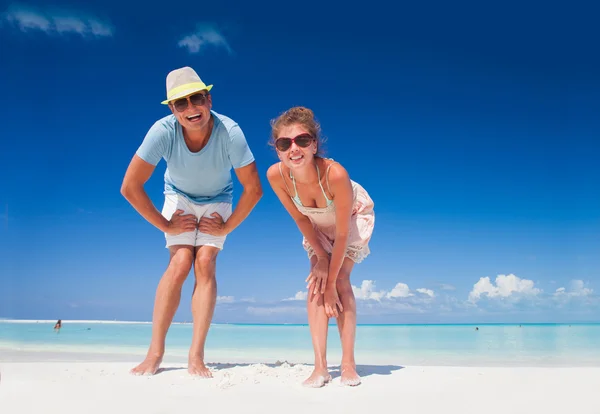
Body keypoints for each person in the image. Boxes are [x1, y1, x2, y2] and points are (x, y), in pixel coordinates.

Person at [121, 67, 263, 377]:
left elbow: (253, 190)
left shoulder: (230, 132)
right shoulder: (163, 131)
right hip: (179, 196)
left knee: (206, 262)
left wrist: (227, 227)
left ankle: (196, 355)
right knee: (181, 261)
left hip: (218, 198)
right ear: (172, 110)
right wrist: (165, 224)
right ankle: (155, 352)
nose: (190, 109)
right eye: (180, 104)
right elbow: (130, 187)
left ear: (208, 99)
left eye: (196, 99)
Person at [266, 107, 375, 387]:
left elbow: (341, 233)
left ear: (314, 144)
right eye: (284, 143)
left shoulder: (335, 174)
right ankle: (320, 367)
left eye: (302, 140)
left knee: (339, 280)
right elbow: (301, 219)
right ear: (277, 150)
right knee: (317, 281)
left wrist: (330, 279)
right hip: (315, 226)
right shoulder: (276, 176)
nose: (294, 149)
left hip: (349, 220)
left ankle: (348, 364)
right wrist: (320, 259)